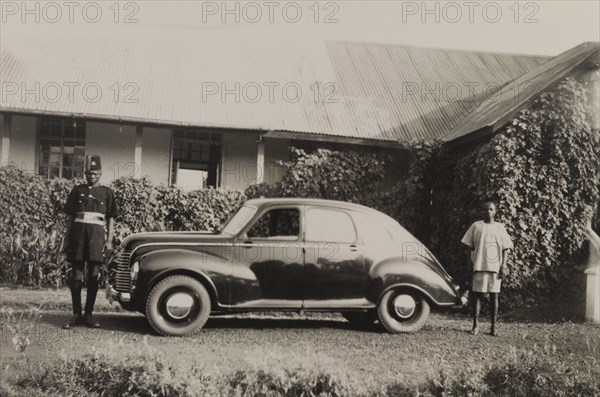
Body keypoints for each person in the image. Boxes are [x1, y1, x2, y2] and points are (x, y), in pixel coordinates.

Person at [62, 155, 118, 329]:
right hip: (77, 238)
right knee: (75, 276)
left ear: (100, 173)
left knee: (94, 277)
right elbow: (71, 217)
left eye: (94, 173)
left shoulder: (107, 193)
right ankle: (76, 314)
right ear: (85, 173)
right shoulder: (77, 190)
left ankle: (89, 315)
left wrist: (109, 241)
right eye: (88, 172)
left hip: (96, 239)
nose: (91, 176)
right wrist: (66, 238)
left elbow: (111, 219)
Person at [461, 202, 513, 336]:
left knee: (494, 297)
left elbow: (506, 248)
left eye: (491, 209)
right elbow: (468, 246)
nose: (488, 212)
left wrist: (504, 265)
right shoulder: (476, 226)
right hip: (479, 265)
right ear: (482, 211)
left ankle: (493, 327)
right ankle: (475, 326)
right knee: (477, 297)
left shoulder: (500, 227)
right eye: (486, 209)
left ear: (495, 212)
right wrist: (470, 264)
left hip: (495, 267)